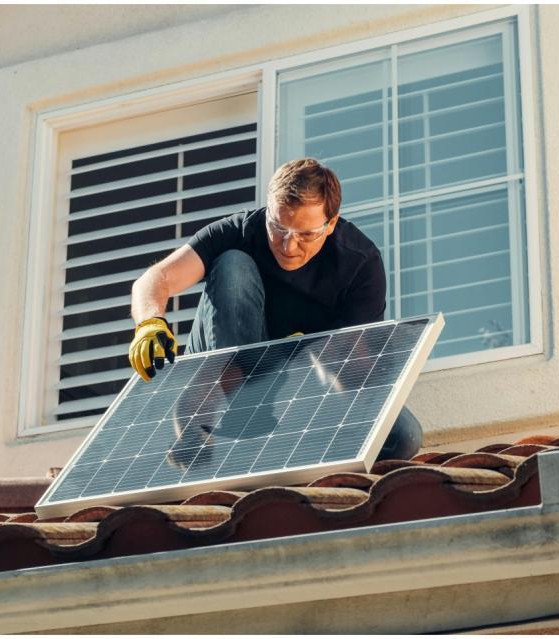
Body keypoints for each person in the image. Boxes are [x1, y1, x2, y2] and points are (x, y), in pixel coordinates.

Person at [128, 158, 421, 461]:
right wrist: (149, 323)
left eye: (306, 235)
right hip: (232, 372)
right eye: (278, 227)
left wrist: (309, 360)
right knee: (232, 263)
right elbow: (155, 279)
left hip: (303, 385)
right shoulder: (241, 230)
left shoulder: (359, 264)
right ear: (267, 210)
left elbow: (357, 374)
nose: (288, 246)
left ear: (331, 224)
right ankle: (225, 409)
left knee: (401, 437)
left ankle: (279, 427)